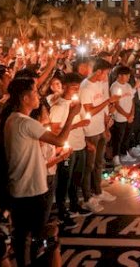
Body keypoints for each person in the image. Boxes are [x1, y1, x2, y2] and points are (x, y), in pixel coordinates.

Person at [3, 78, 81, 267]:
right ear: (24, 98)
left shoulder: (12, 120)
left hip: (21, 187)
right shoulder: (26, 123)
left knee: (24, 237)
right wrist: (71, 115)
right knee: (33, 238)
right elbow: (60, 139)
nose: (38, 96)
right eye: (35, 93)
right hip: (30, 189)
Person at [50, 72, 95, 226]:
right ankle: (62, 210)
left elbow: (81, 122)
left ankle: (75, 205)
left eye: (78, 88)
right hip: (67, 150)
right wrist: (77, 125)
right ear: (64, 87)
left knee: (76, 178)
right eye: (73, 88)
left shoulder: (77, 104)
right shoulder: (58, 106)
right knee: (64, 180)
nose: (76, 91)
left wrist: (87, 140)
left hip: (80, 146)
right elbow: (55, 131)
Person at [79, 59, 119, 210]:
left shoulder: (99, 84)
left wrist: (106, 127)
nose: (106, 77)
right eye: (106, 73)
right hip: (90, 132)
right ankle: (87, 197)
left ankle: (98, 191)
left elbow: (102, 109)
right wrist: (108, 101)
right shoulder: (86, 87)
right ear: (98, 72)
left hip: (100, 129)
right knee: (88, 166)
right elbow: (89, 110)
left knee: (99, 163)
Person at [110, 66, 135, 164]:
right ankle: (116, 156)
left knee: (127, 136)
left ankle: (124, 153)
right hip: (120, 117)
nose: (128, 78)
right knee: (118, 137)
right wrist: (126, 115)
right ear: (120, 75)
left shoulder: (128, 86)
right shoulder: (115, 87)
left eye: (129, 76)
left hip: (129, 116)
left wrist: (132, 113)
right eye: (126, 75)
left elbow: (132, 100)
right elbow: (116, 104)